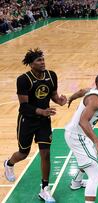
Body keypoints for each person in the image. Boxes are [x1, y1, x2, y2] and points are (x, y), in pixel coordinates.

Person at [4, 48, 67, 202]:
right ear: (31, 64)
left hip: (44, 121)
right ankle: (9, 163)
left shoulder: (51, 76)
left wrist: (60, 100)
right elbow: (23, 106)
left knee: (45, 153)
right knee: (23, 153)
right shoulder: (23, 79)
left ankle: (45, 188)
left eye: (43, 59)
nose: (42, 62)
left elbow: (52, 95)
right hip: (27, 121)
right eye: (39, 60)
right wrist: (41, 111)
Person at [64, 73, 98, 203]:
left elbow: (81, 91)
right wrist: (97, 142)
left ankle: (76, 182)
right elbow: (83, 121)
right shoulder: (95, 100)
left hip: (81, 134)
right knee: (95, 176)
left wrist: (71, 98)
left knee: (91, 157)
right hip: (77, 136)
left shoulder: (93, 92)